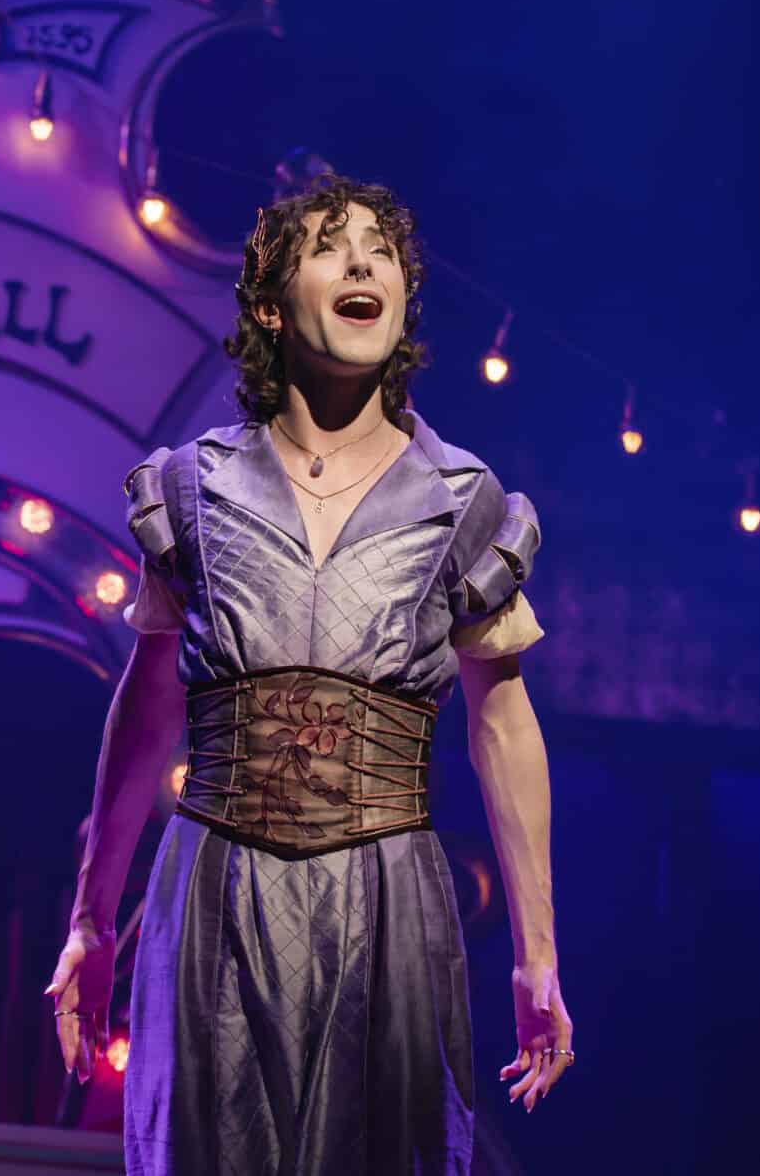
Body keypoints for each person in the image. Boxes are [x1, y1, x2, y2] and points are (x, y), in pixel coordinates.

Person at [44, 176, 574, 1174]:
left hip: (385, 899)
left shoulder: (461, 499)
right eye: (332, 248)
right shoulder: (193, 490)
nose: (365, 263)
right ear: (268, 305)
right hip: (216, 888)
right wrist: (90, 916)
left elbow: (502, 721)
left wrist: (536, 953)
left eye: (382, 251)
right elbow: (148, 707)